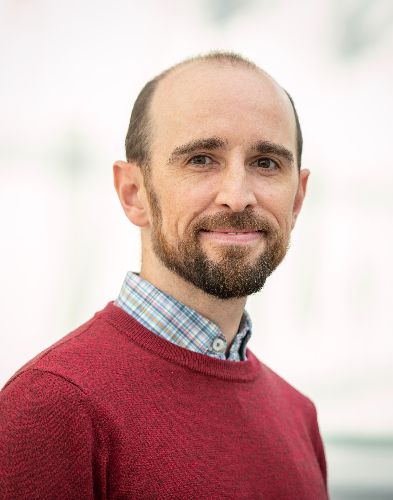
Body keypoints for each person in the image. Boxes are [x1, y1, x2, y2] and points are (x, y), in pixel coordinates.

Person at [0, 52, 328, 499]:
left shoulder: (299, 416)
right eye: (201, 159)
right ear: (133, 193)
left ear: (297, 199)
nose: (238, 196)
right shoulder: (51, 407)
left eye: (266, 163)